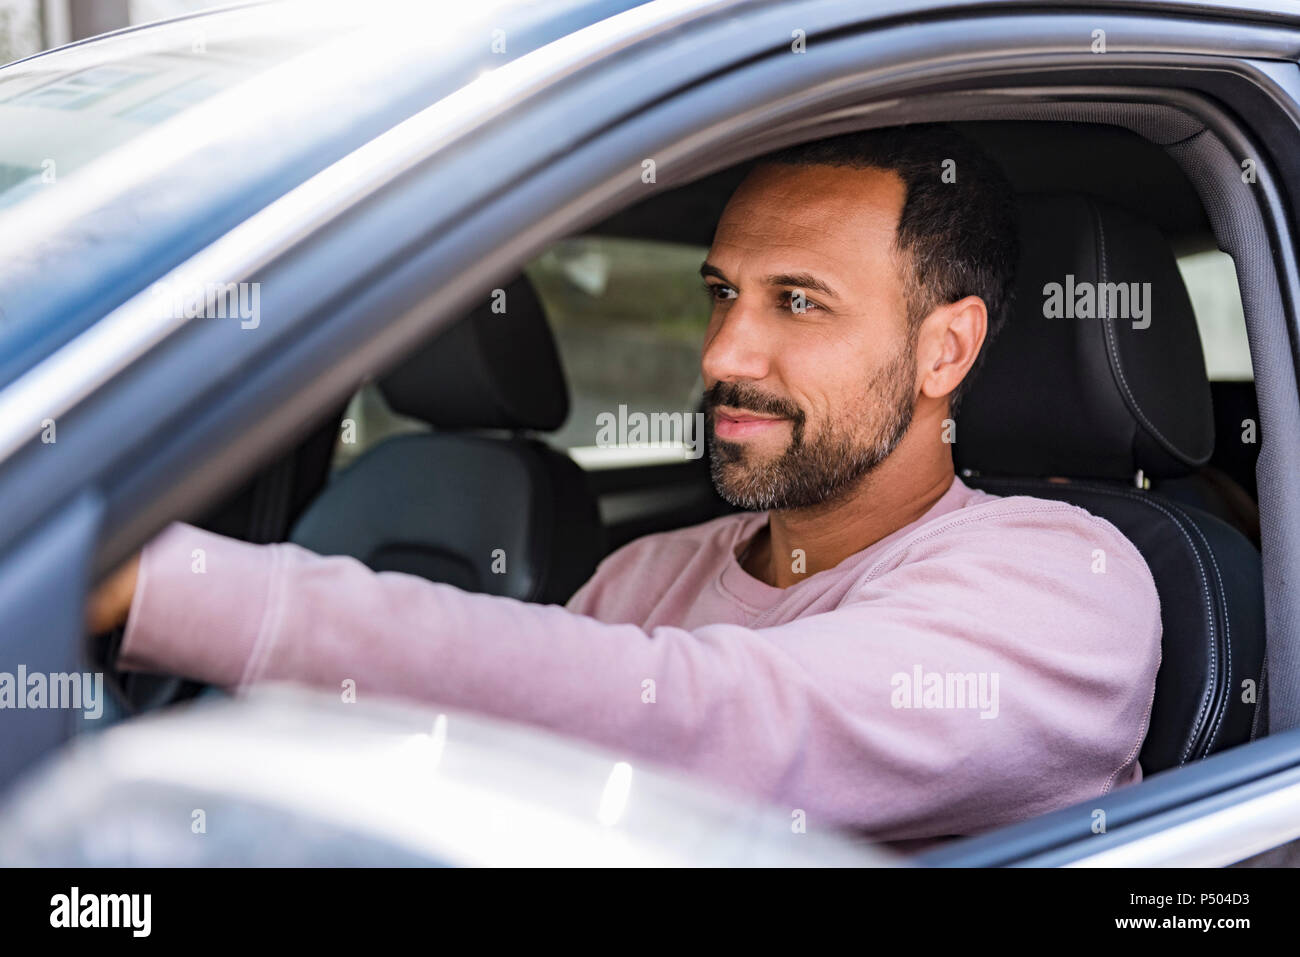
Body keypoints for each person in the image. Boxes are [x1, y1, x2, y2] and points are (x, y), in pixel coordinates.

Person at [88, 126, 1161, 845]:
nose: (723, 355)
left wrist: (155, 584)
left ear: (944, 353)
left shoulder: (1070, 579)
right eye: (720, 294)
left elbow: (721, 729)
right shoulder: (649, 573)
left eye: (797, 303)